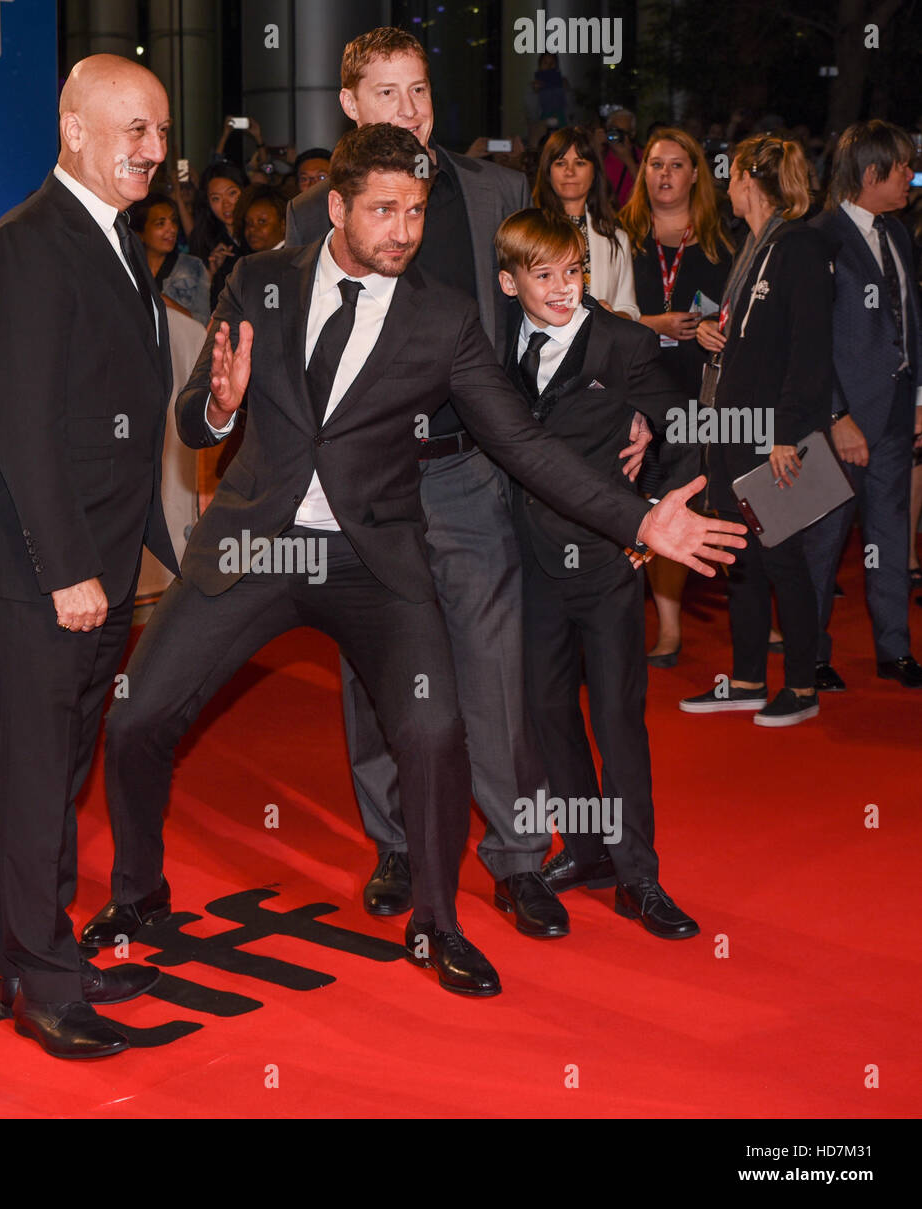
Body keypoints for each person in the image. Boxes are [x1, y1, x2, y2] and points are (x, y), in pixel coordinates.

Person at [82, 123, 746, 997]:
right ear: (337, 208)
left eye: (418, 211)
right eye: (384, 210)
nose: (403, 229)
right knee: (136, 719)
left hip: (374, 556)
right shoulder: (263, 279)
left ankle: (437, 923)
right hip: (258, 539)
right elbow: (192, 419)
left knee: (434, 730)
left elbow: (520, 444)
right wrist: (215, 407)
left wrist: (639, 520)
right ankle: (139, 893)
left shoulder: (442, 317)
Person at [286, 28, 649, 936]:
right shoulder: (309, 220)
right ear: (351, 108)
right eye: (387, 94)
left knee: (494, 675)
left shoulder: (491, 193)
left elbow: (560, 299)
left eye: (420, 92)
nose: (408, 110)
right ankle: (400, 847)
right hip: (362, 487)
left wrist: (626, 401)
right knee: (374, 677)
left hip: (466, 477)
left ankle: (520, 856)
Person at [0, 54, 176, 1062]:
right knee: (41, 784)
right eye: (133, 129)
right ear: (74, 126)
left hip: (99, 563)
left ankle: (30, 956)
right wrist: (65, 569)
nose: (153, 151)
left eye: (161, 132)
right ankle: (45, 989)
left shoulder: (117, 239)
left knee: (61, 777)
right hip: (37, 568)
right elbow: (28, 425)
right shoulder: (29, 243)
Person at [497, 210, 700, 938]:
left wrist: (650, 516)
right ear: (509, 281)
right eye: (544, 275)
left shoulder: (622, 341)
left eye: (573, 271)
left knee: (617, 719)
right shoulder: (493, 341)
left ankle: (639, 874)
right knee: (549, 718)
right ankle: (586, 852)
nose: (562, 289)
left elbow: (684, 426)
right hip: (529, 562)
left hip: (610, 561)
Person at [680, 135, 834, 726]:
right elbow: (756, 333)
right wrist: (715, 334)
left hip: (771, 431)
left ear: (746, 176)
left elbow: (810, 350)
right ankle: (746, 679)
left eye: (730, 174)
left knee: (782, 556)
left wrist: (788, 432)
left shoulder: (800, 245)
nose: (726, 185)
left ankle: (801, 685)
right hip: (730, 422)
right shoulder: (753, 246)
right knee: (737, 554)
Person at [806, 121, 922, 690]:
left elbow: (912, 318)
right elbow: (807, 342)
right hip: (841, 423)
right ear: (871, 173)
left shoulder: (899, 234)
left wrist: (920, 395)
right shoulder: (819, 236)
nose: (910, 176)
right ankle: (812, 654)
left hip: (898, 415)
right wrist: (834, 415)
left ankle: (894, 650)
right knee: (825, 541)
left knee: (891, 536)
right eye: (902, 167)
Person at [621, 128, 734, 665]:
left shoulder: (720, 243)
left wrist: (718, 328)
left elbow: (741, 313)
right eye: (654, 164)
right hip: (637, 394)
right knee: (653, 502)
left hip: (702, 395)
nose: (663, 175)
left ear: (695, 175)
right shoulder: (622, 237)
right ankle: (668, 629)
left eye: (675, 165)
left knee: (704, 500)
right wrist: (654, 322)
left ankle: (751, 610)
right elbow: (599, 313)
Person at [535, 126, 639, 318]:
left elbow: (630, 309)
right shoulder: (530, 232)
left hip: (599, 343)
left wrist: (609, 316)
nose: (569, 171)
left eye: (580, 163)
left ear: (595, 173)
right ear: (548, 172)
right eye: (560, 163)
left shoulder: (616, 237)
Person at [128, 191, 210, 323]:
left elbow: (203, 322)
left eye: (174, 221)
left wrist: (160, 300)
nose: (171, 229)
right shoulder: (129, 268)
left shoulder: (192, 267)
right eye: (160, 223)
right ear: (140, 233)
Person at [191, 161, 248, 310]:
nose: (226, 204)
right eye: (216, 198)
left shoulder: (259, 232)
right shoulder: (203, 238)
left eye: (232, 193)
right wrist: (211, 272)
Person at [604, 108, 643, 207]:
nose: (617, 136)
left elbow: (648, 191)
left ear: (632, 133)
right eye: (613, 131)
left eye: (623, 132)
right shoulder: (600, 156)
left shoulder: (642, 157)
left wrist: (629, 161)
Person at [235, 183, 287, 252]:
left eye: (262, 221)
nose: (252, 229)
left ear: (283, 225)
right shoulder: (250, 260)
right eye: (248, 223)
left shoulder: (295, 258)